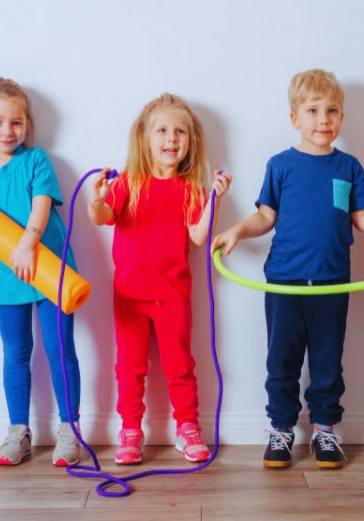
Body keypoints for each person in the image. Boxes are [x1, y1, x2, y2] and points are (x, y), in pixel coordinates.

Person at [213, 69, 364, 469]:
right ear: (294, 118)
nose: (323, 119)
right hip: (285, 282)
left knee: (327, 360)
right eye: (313, 110)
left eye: (332, 110)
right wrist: (235, 232)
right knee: (281, 359)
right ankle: (280, 428)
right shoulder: (280, 165)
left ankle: (325, 429)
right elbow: (265, 217)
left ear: (342, 118)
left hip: (332, 283)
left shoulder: (348, 167)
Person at [88, 93, 231, 465]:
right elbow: (102, 217)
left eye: (180, 132)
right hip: (130, 297)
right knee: (130, 368)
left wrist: (215, 199)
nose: (172, 139)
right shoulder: (128, 183)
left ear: (190, 141)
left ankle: (188, 428)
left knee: (180, 365)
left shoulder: (191, 190)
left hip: (173, 297)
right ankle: (131, 431)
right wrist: (97, 199)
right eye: (163, 131)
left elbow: (199, 238)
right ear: (145, 137)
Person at [0, 77, 82, 466]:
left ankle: (69, 430)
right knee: (15, 353)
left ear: (27, 124)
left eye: (16, 123)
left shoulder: (36, 161)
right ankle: (17, 432)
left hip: (51, 270)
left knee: (60, 351)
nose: (7, 131)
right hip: (6, 278)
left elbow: (41, 205)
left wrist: (28, 241)